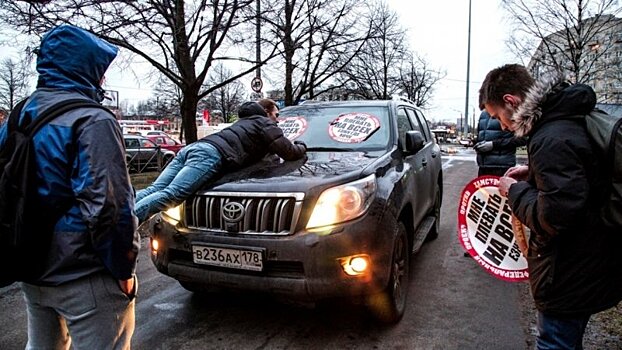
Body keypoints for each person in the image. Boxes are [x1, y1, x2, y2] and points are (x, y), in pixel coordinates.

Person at [0, 25, 139, 349]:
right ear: (85, 67)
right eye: (99, 70)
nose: (102, 79)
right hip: (83, 273)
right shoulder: (93, 119)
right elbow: (109, 206)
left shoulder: (20, 113)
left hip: (31, 266)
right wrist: (123, 268)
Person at [480, 63, 622, 349]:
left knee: (555, 344)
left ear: (511, 101)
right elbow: (580, 180)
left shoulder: (551, 137)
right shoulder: (566, 117)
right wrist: (532, 174)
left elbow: (555, 216)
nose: (502, 126)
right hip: (592, 257)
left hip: (568, 271)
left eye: (497, 117)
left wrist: (516, 191)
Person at [135, 101, 306, 222]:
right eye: (276, 114)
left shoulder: (243, 123)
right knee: (173, 194)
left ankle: (115, 210)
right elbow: (288, 152)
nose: (278, 119)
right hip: (210, 155)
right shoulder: (264, 123)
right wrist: (302, 146)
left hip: (191, 149)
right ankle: (123, 223)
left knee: (156, 188)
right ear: (267, 112)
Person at [473, 110, 526, 177]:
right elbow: (481, 135)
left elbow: (522, 139)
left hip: (503, 167)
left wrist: (493, 144)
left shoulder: (510, 111)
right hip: (483, 167)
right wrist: (477, 143)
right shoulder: (483, 114)